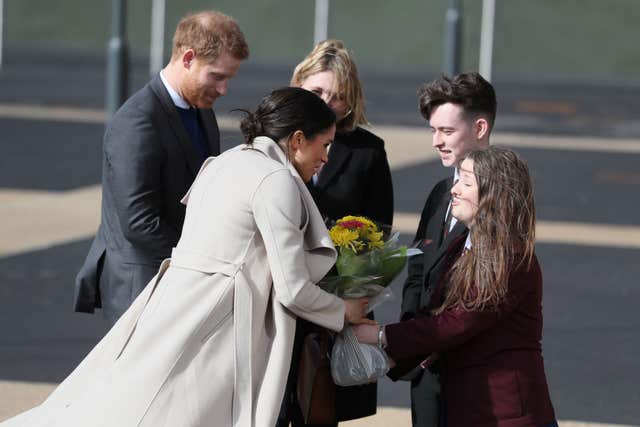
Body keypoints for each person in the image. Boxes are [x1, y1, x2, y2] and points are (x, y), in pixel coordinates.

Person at [1, 87, 375, 427]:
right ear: (296, 140)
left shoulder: (223, 162)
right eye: (323, 145)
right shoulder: (275, 179)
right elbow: (292, 288)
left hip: (172, 309)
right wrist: (343, 310)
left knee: (121, 405)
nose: (326, 157)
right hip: (217, 327)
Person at [355, 146, 558, 427]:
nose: (454, 189)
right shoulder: (460, 246)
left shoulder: (509, 257)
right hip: (470, 407)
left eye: (466, 181)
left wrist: (380, 336)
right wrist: (386, 358)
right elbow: (436, 318)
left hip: (506, 413)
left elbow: (456, 324)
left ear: (493, 195)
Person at [74, 10, 249, 325]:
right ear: (188, 58)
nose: (224, 90)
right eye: (217, 76)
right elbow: (139, 223)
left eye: (229, 78)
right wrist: (203, 262)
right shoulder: (138, 122)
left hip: (180, 280)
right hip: (142, 289)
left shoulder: (201, 112)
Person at [277, 39, 394, 426]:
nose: (327, 103)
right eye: (317, 91)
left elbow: (379, 234)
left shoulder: (368, 152)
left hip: (336, 311)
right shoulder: (273, 144)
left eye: (338, 96)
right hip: (277, 302)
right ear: (298, 84)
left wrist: (353, 293)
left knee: (321, 411)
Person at [399, 71, 496, 426]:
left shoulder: (505, 199)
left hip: (472, 376)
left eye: (447, 131)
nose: (437, 141)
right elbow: (417, 270)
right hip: (426, 371)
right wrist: (412, 338)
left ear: (480, 128)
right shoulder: (441, 193)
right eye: (433, 131)